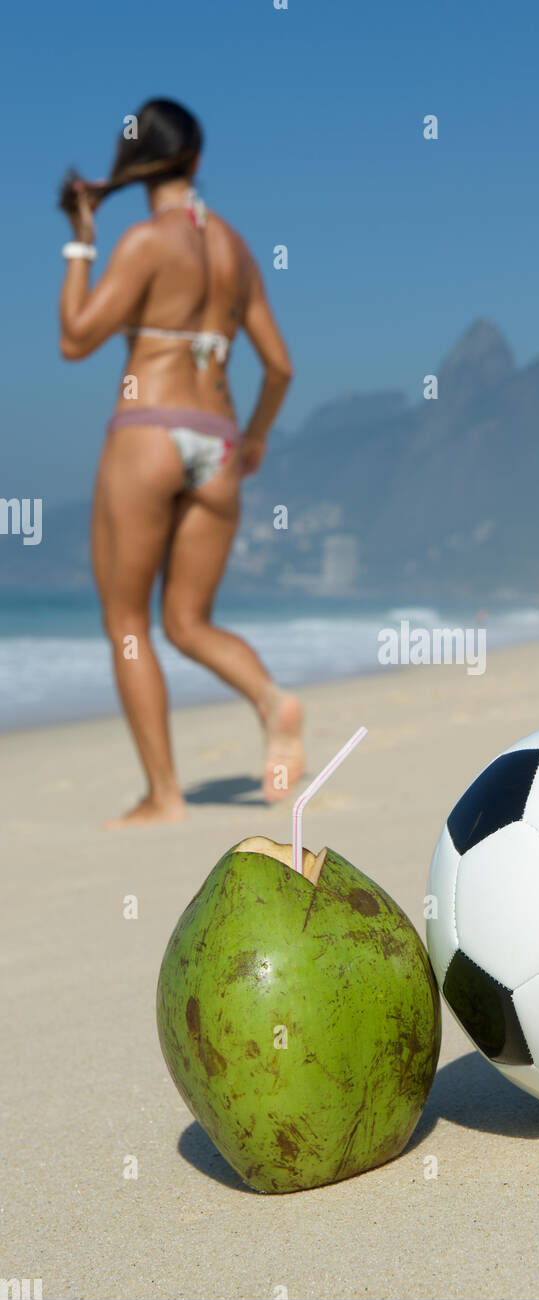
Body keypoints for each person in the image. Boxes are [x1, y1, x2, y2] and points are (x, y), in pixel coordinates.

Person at [58, 98, 303, 828]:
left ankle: (165, 794)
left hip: (151, 429)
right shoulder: (233, 247)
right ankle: (271, 700)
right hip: (218, 438)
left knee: (128, 621)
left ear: (137, 164)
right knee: (190, 622)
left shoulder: (144, 241)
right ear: (195, 159)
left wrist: (79, 245)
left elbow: (76, 339)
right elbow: (281, 366)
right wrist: (253, 438)